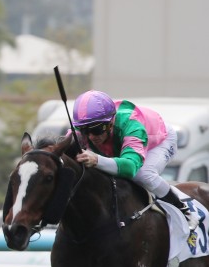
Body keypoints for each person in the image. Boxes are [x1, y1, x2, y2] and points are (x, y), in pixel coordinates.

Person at [72, 89, 199, 230]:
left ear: (110, 123)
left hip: (159, 140)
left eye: (96, 130)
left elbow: (130, 167)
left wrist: (97, 160)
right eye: (84, 130)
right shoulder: (86, 128)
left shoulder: (132, 125)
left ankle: (184, 210)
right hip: (122, 142)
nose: (90, 136)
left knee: (143, 174)